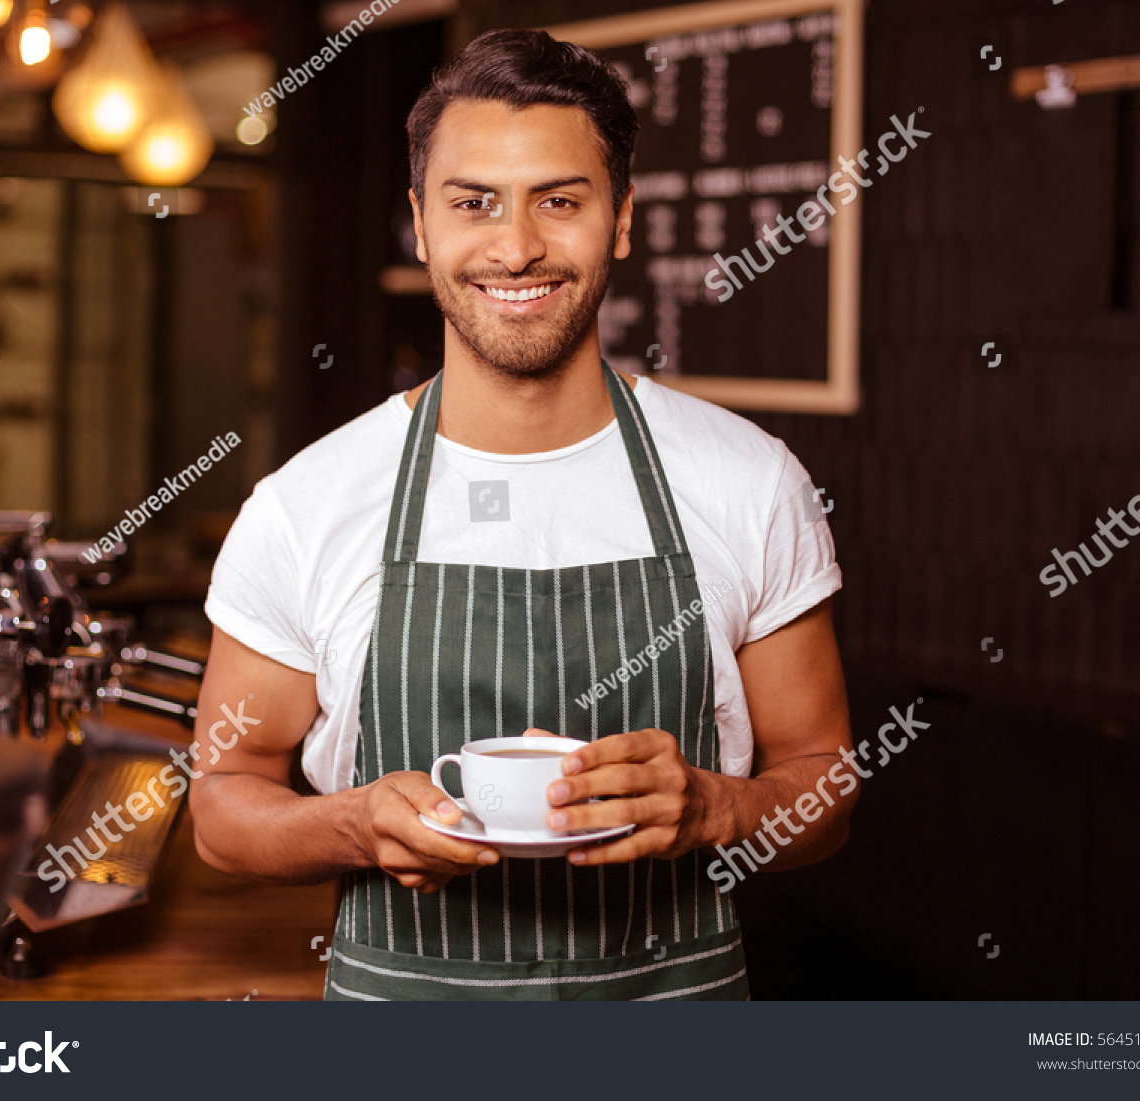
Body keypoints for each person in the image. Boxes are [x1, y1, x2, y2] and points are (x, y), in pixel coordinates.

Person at [190, 28, 856, 1001]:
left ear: (622, 220)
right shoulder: (306, 506)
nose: (516, 246)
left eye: (559, 200)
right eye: (473, 204)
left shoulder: (751, 482)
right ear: (420, 225)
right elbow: (219, 805)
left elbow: (826, 785)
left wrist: (716, 809)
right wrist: (352, 826)